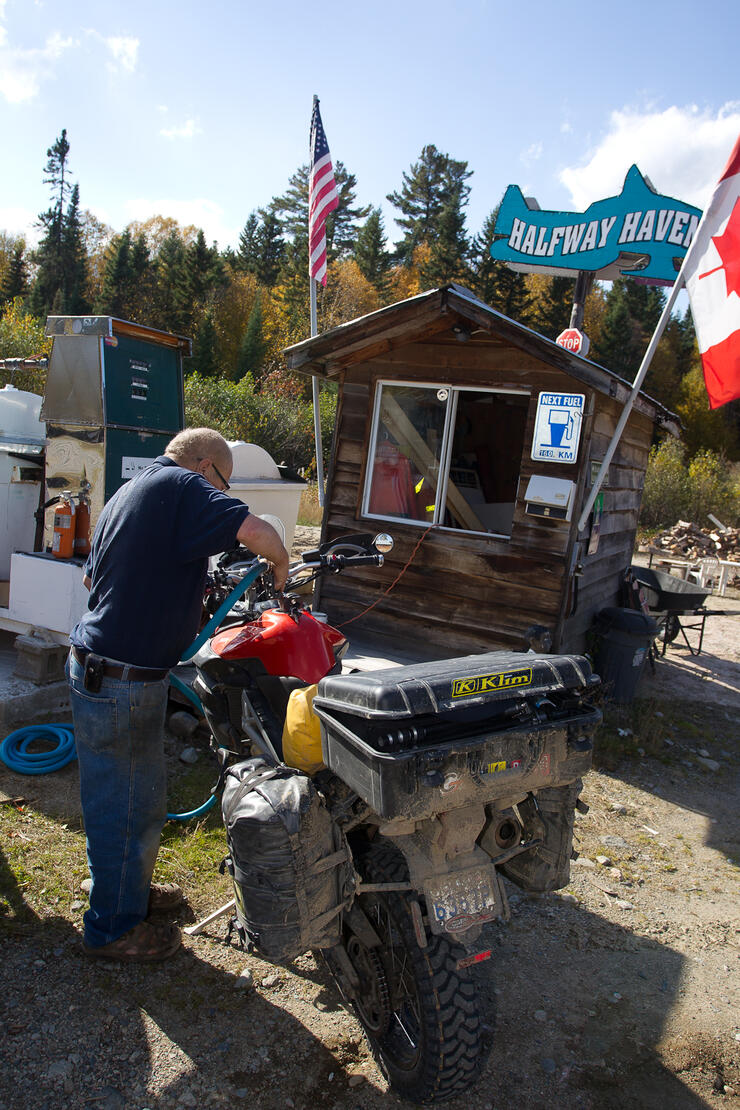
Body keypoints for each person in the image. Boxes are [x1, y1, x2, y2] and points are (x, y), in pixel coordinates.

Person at [67, 428, 289, 962]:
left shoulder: (130, 490)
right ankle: (111, 929)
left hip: (107, 673)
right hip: (119, 681)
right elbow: (256, 531)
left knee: (136, 800)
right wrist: (280, 564)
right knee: (123, 804)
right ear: (204, 463)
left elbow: (90, 582)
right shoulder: (184, 485)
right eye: (223, 480)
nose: (219, 489)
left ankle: (126, 897)